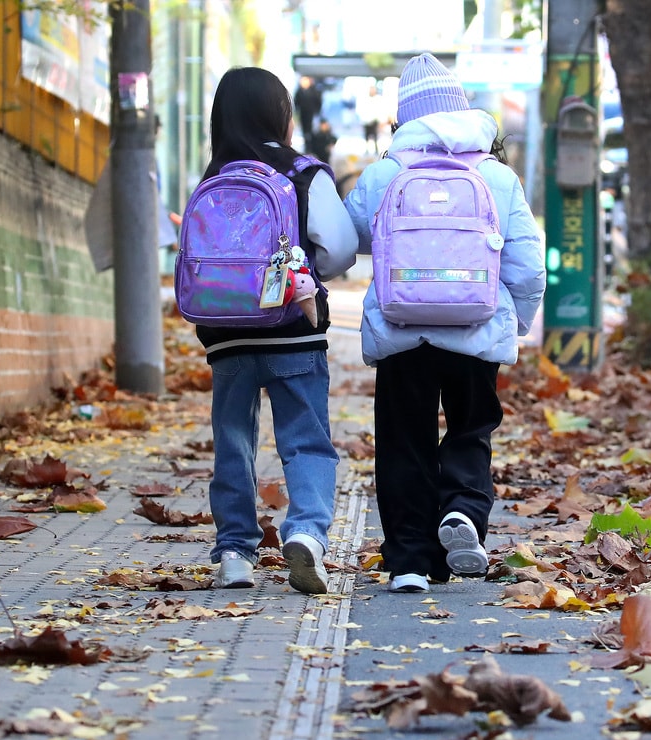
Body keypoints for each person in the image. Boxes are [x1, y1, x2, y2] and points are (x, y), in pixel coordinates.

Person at [343, 53, 545, 594]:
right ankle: (461, 512)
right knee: (471, 430)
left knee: (403, 439)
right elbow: (527, 265)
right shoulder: (497, 177)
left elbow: (348, 238)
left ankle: (410, 560)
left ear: (404, 118)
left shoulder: (386, 173)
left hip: (401, 327)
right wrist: (515, 324)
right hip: (475, 327)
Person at [190, 67, 358, 595]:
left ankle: (235, 553)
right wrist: (305, 277)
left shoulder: (213, 179)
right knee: (306, 440)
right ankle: (306, 533)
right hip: (293, 329)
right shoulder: (305, 173)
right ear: (283, 116)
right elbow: (338, 248)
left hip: (227, 334)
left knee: (234, 442)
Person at [355, 84, 386, 154]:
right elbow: (360, 110)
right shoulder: (364, 99)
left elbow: (381, 110)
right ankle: (367, 149)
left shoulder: (378, 99)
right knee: (366, 136)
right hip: (366, 121)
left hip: (374, 121)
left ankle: (376, 149)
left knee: (375, 136)